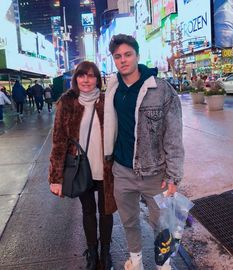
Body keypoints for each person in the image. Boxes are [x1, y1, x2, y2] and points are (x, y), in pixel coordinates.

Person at [104, 34, 184, 270]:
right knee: (128, 221)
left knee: (161, 223)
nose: (123, 60)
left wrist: (174, 176)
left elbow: (174, 137)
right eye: (117, 56)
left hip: (155, 173)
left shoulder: (161, 90)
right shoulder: (113, 89)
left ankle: (163, 263)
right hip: (122, 170)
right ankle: (136, 260)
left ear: (137, 56)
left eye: (128, 54)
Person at [48, 61, 117, 270]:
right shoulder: (67, 103)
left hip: (106, 168)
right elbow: (59, 141)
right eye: (81, 75)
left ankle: (105, 252)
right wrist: (55, 178)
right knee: (88, 211)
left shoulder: (107, 101)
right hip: (81, 169)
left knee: (106, 212)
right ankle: (92, 251)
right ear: (75, 78)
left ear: (98, 79)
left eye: (91, 75)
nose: (86, 80)